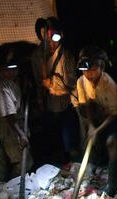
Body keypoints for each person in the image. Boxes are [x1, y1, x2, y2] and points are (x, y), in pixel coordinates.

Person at [74, 45, 117, 196]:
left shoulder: (108, 84)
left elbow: (114, 113)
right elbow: (87, 104)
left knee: (111, 142)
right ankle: (98, 170)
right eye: (85, 70)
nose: (89, 74)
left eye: (93, 70)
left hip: (112, 117)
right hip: (96, 115)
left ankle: (114, 182)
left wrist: (97, 129)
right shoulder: (81, 81)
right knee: (93, 143)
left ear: (101, 67)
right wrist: (91, 126)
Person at [32, 17, 80, 165]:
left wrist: (51, 84)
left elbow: (70, 84)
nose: (52, 43)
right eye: (47, 38)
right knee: (54, 143)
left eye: (55, 38)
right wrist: (40, 102)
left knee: (70, 143)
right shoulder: (37, 56)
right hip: (48, 107)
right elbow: (37, 82)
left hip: (66, 105)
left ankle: (76, 167)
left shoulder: (66, 56)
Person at [0, 50, 32, 181]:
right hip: (10, 128)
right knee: (22, 162)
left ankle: (19, 187)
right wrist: (21, 134)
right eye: (9, 70)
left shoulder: (12, 81)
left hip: (16, 124)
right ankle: (12, 189)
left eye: (15, 69)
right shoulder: (2, 88)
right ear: (1, 70)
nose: (13, 72)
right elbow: (9, 116)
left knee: (26, 160)